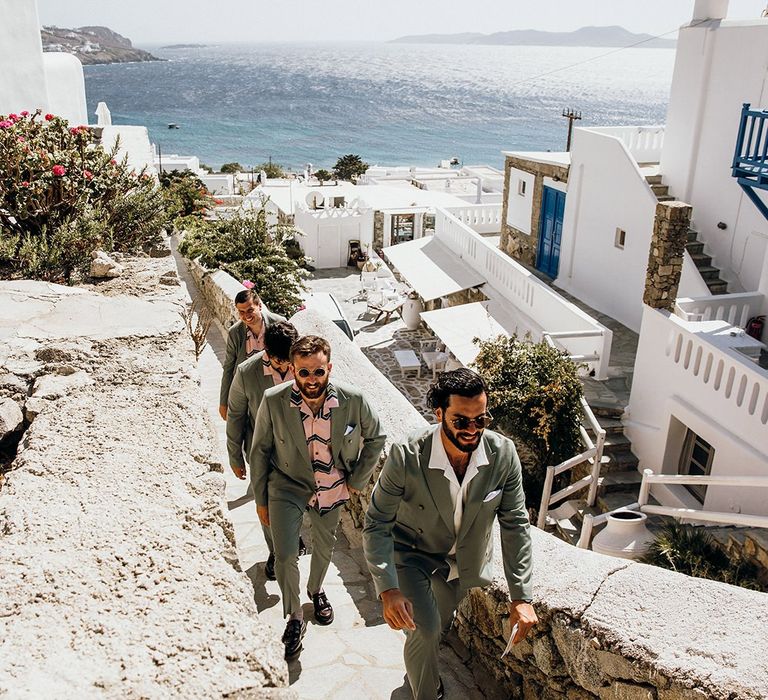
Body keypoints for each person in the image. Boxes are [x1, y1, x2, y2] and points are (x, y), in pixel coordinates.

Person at [362, 368, 536, 700]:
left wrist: (521, 596)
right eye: (461, 421)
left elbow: (515, 524)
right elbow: (377, 522)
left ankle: (419, 670)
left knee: (436, 627)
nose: (472, 430)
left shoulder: (504, 455)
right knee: (425, 630)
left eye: (481, 420)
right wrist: (387, 590)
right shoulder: (406, 455)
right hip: (411, 554)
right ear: (439, 413)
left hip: (463, 564)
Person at [250, 335, 386, 659]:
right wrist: (260, 500)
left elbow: (377, 436)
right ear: (293, 371)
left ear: (330, 368)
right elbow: (259, 452)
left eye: (318, 372)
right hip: (286, 483)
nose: (312, 380)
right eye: (304, 373)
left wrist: (357, 480)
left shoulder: (354, 400)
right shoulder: (273, 400)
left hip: (332, 486)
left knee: (324, 547)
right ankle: (295, 615)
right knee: (284, 556)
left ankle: (316, 589)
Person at [226, 320, 305, 580]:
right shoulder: (246, 372)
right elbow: (236, 415)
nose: (287, 368)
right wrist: (235, 455)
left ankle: (292, 538)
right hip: (265, 454)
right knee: (267, 506)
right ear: (267, 353)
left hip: (301, 453)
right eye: (281, 362)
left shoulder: (305, 365)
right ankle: (275, 550)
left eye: (290, 362)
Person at [218, 288, 286, 421]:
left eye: (250, 310)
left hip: (276, 385)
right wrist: (223, 402)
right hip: (250, 390)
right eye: (241, 312)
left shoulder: (279, 323)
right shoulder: (235, 333)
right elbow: (229, 368)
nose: (246, 316)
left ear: (259, 306)